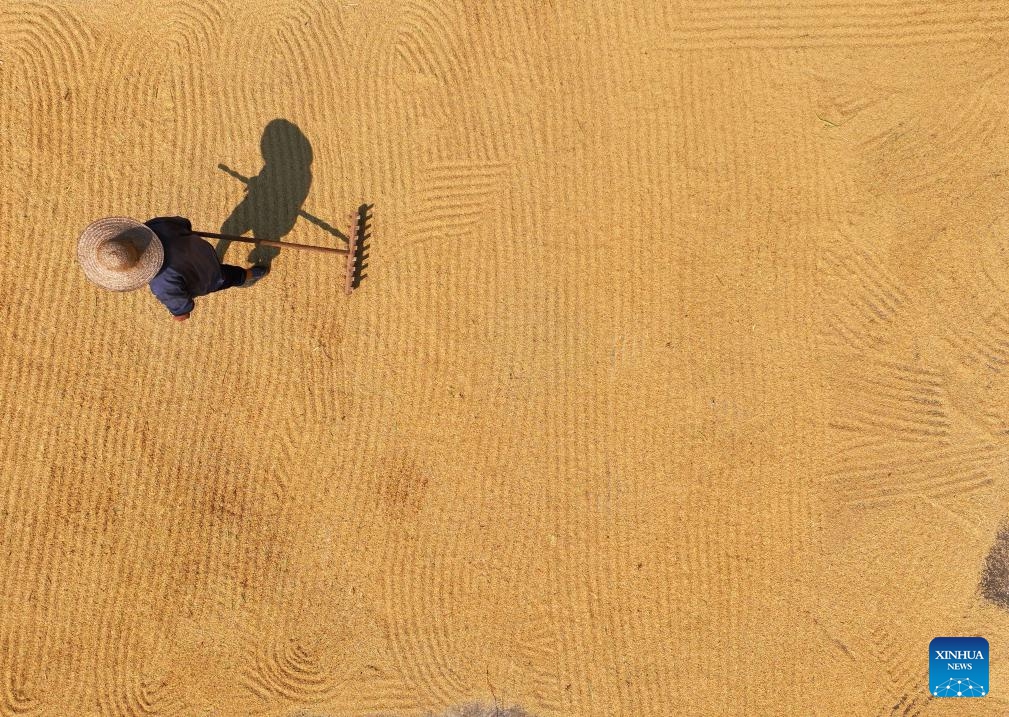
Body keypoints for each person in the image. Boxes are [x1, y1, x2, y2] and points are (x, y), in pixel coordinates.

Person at [76, 215, 269, 321]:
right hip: (202, 249)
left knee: (229, 276)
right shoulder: (155, 227)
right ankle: (248, 273)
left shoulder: (161, 285)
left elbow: (183, 310)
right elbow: (184, 224)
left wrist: (179, 317)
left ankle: (249, 275)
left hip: (209, 276)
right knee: (217, 267)